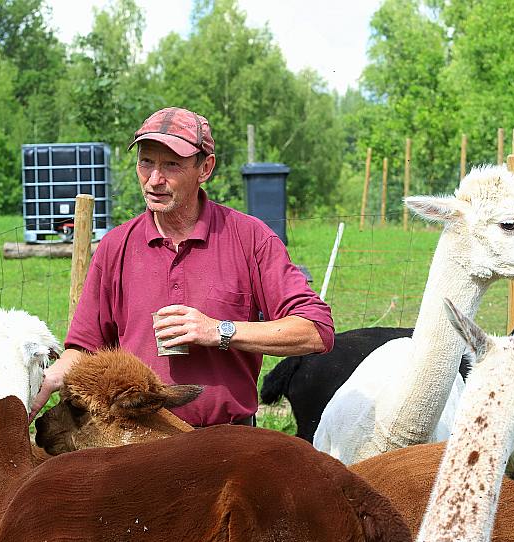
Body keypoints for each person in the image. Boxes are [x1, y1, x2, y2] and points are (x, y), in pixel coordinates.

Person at [30, 107, 334, 427]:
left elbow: (316, 330)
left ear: (205, 168)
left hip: (226, 442)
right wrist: (46, 381)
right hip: (137, 439)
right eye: (146, 162)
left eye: (171, 165)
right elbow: (84, 348)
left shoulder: (249, 238)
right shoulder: (115, 247)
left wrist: (219, 330)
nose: (154, 180)